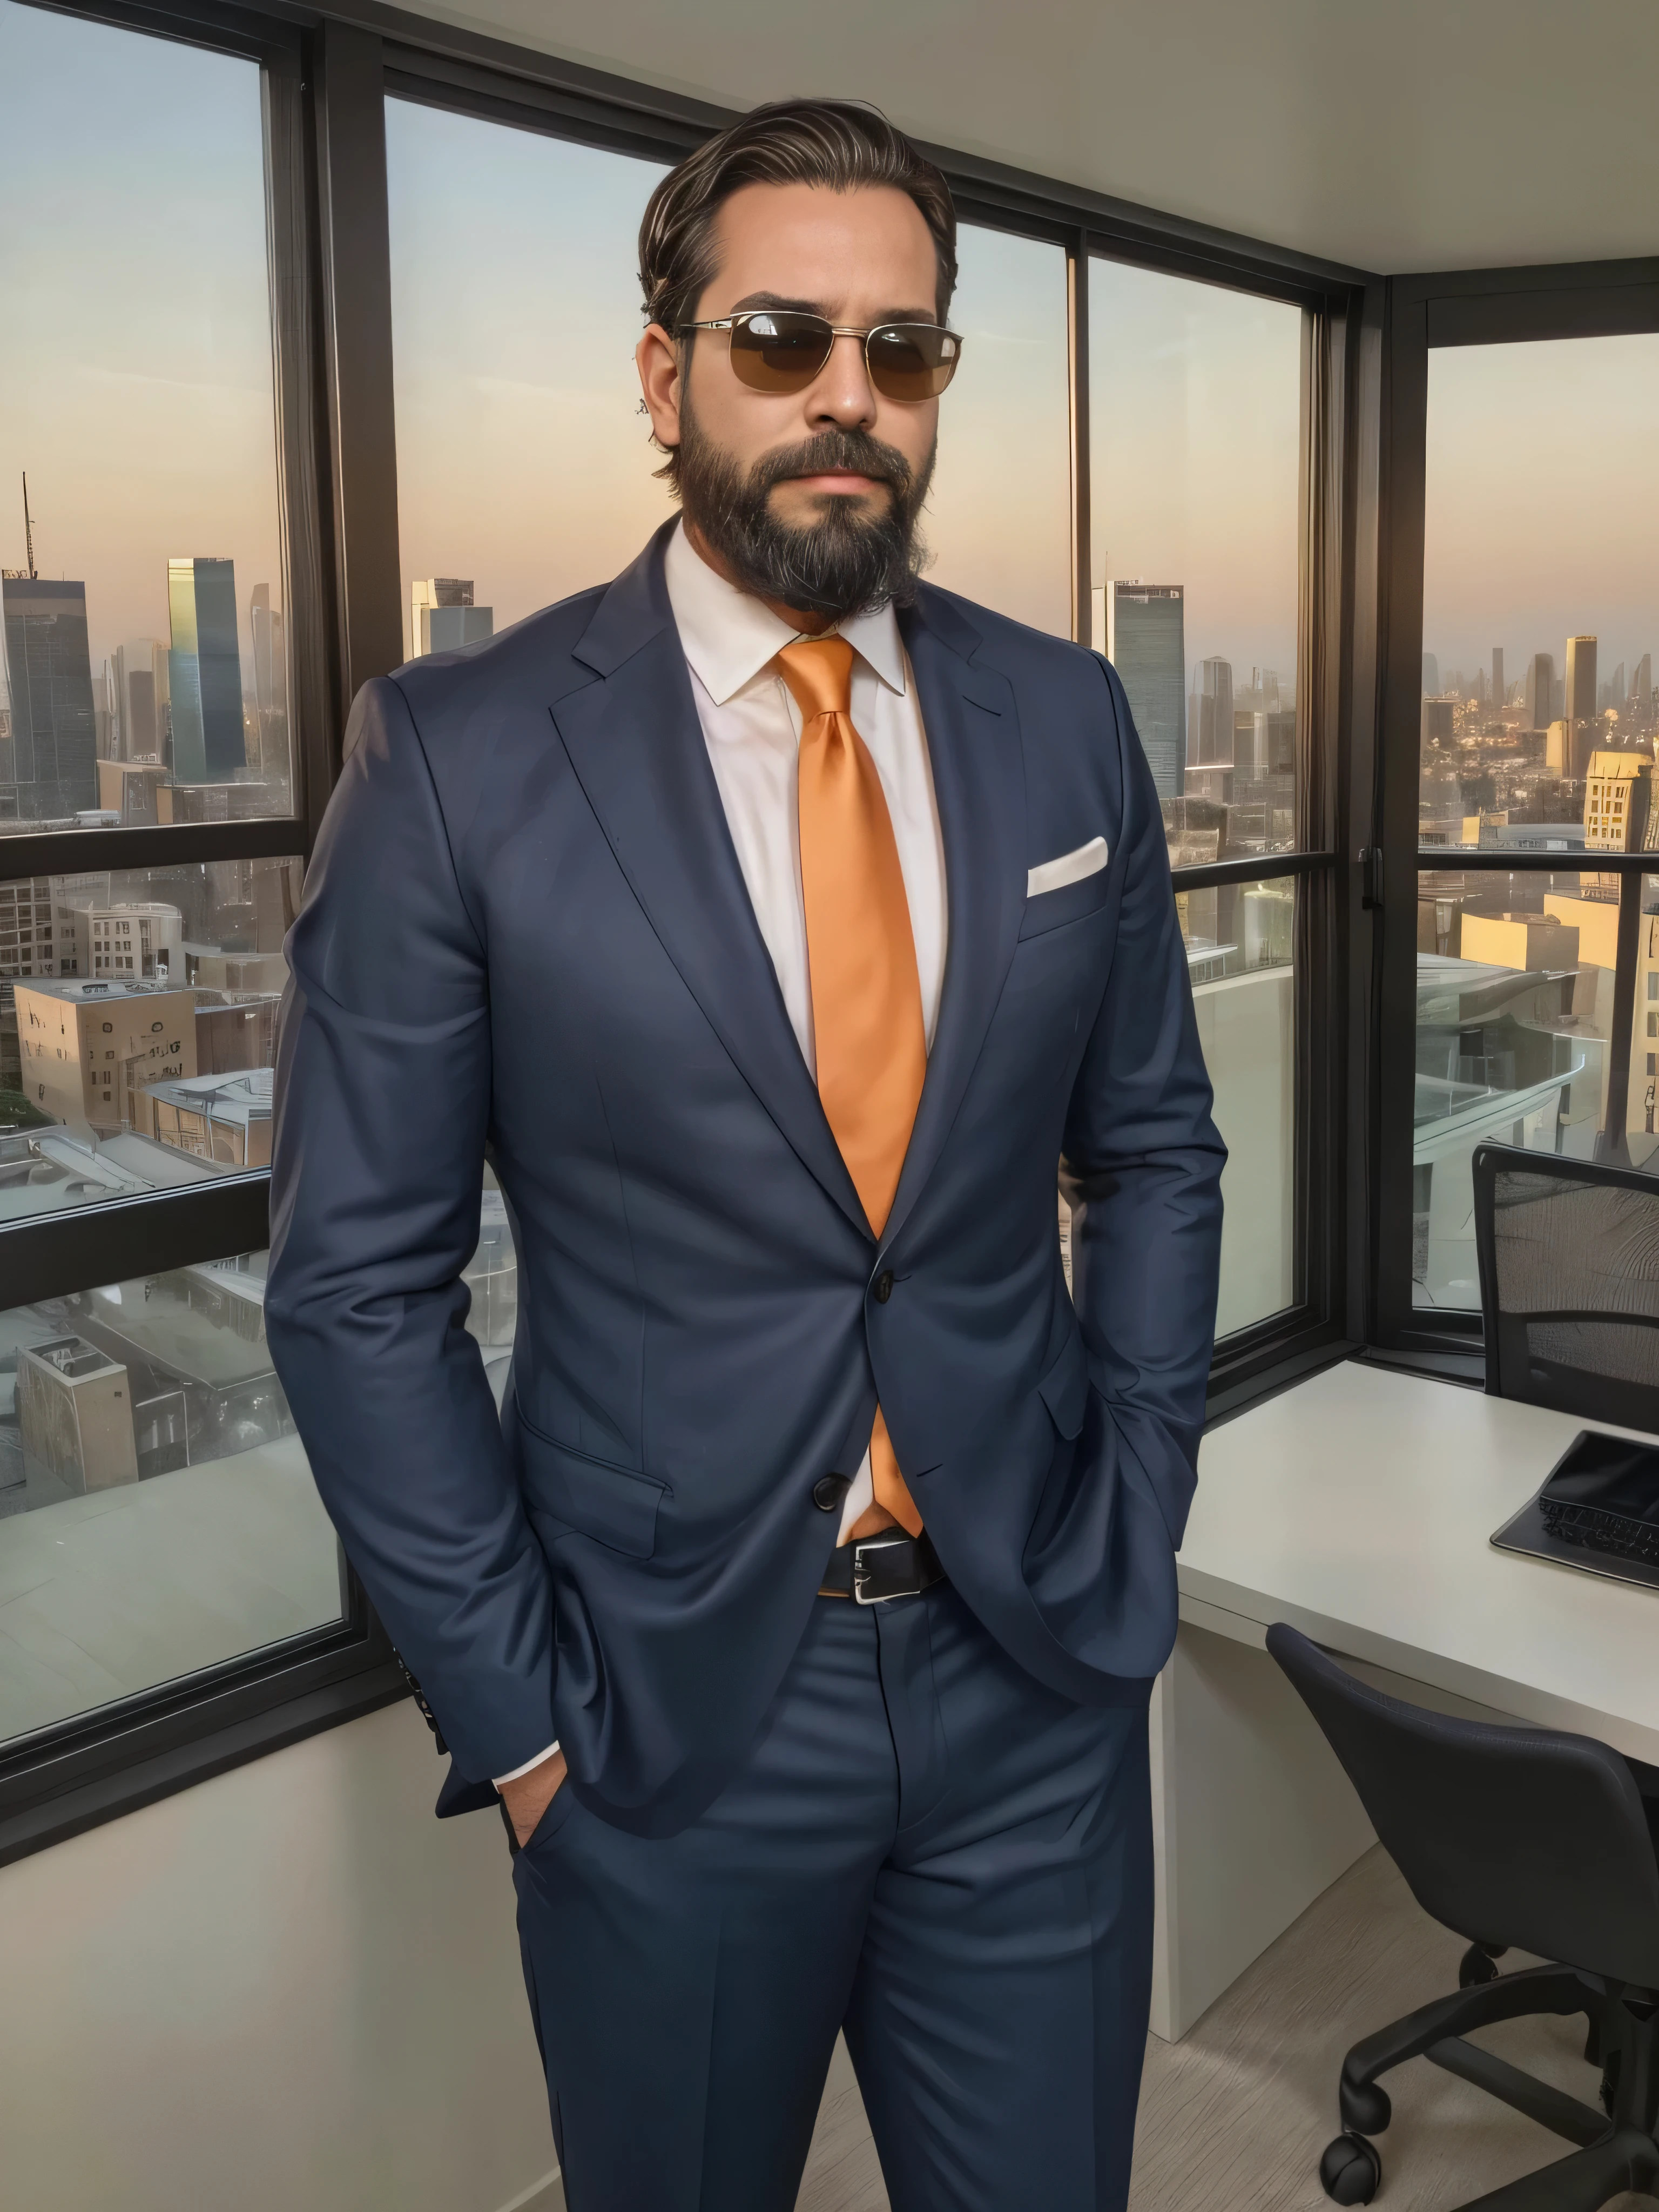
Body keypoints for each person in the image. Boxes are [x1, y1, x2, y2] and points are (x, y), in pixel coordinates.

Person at [265, 97, 1224, 2212]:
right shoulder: (461, 760)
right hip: (667, 1722)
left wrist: (1141, 1500)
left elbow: (1152, 1144)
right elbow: (355, 1286)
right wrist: (522, 1725)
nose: (845, 399)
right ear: (665, 371)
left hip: (1031, 1672)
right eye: (782, 336)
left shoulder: (1064, 721)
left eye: (905, 350)